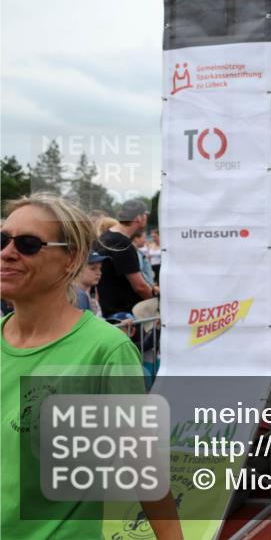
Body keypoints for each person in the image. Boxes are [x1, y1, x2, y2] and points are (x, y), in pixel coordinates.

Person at [0, 194, 182, 539]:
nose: (7, 253)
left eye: (27, 244)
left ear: (71, 259)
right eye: (2, 240)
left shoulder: (106, 351)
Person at [94, 200, 156, 320]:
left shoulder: (105, 237)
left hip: (112, 314)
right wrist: (158, 303)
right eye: (145, 215)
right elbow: (140, 286)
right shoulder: (122, 243)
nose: (146, 219)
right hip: (126, 316)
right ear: (138, 217)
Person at [72, 250, 107, 317]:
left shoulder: (88, 294)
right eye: (93, 268)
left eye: (100, 268)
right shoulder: (78, 296)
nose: (99, 273)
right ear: (77, 268)